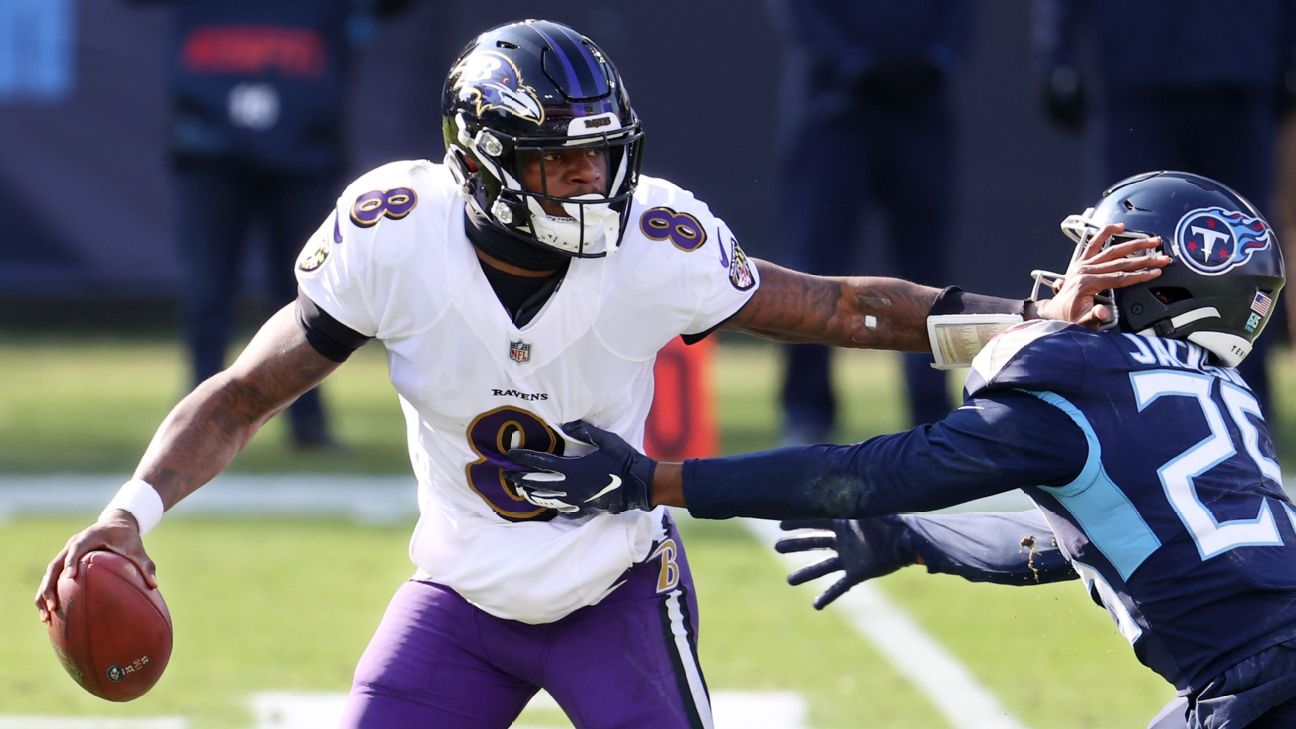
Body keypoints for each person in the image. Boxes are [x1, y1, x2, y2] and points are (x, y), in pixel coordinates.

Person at [35, 20, 1164, 729]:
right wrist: (130, 512)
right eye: (559, 158)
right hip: (459, 599)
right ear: (481, 164)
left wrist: (1024, 318)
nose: (592, 179)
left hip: (612, 594)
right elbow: (241, 396)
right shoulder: (391, 234)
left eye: (602, 152)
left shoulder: (653, 241)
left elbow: (833, 304)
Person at [504, 171, 1293, 728]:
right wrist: (915, 538)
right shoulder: (1223, 398)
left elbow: (866, 472)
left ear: (1160, 285)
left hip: (1253, 693)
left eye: (1106, 257)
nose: (1077, 274)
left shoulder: (1078, 388)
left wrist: (654, 480)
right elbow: (1081, 548)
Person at [129, 0, 410, 448]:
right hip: (211, 151)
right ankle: (196, 423)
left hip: (304, 152)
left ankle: (307, 421)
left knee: (312, 292)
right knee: (208, 291)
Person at [1032, 0, 1295, 426]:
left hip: (1237, 68)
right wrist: (1054, 52)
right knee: (1122, 242)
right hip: (1140, 68)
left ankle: (1245, 410)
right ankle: (1115, 404)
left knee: (1244, 257)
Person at [767, 0, 973, 440]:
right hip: (831, 110)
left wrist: (939, 56)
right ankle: (807, 411)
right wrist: (849, 60)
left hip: (922, 109)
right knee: (814, 267)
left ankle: (933, 413)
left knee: (928, 271)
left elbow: (959, 12)